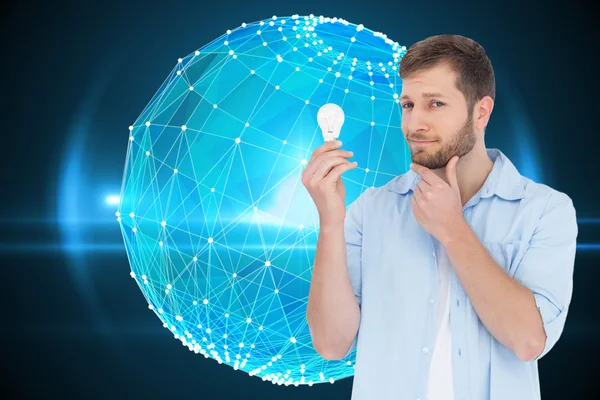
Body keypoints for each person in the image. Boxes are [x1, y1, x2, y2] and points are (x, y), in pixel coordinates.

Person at [303, 34, 578, 400]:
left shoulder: (545, 211)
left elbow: (529, 340)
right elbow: (331, 344)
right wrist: (330, 221)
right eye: (407, 104)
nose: (415, 123)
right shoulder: (370, 210)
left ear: (481, 112)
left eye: (435, 103)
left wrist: (453, 230)